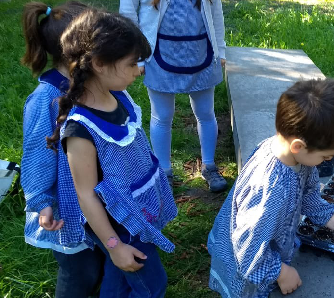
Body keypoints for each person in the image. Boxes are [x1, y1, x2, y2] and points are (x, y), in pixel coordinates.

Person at [45, 9, 178, 297]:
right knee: (152, 285)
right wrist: (114, 247)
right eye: (132, 64)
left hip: (139, 209)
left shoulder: (119, 97)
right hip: (121, 224)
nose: (138, 71)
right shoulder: (81, 130)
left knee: (118, 283)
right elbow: (86, 194)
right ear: (100, 64)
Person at [207, 78, 334, 297]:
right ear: (298, 146)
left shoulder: (294, 157)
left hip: (264, 247)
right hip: (245, 271)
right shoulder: (271, 189)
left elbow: (307, 195)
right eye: (326, 156)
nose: (327, 161)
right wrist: (280, 272)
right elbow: (247, 251)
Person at [20, 2, 105, 297]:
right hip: (66, 208)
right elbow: (37, 155)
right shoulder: (46, 99)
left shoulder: (95, 84)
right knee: (80, 272)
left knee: (102, 265)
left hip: (99, 198)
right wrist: (42, 200)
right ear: (79, 51)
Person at [119, 0, 228, 192]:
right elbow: (128, 12)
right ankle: (164, 171)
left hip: (201, 52)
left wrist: (221, 48)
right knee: (162, 116)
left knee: (205, 112)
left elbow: (216, 10)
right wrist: (136, 54)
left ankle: (209, 166)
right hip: (158, 54)